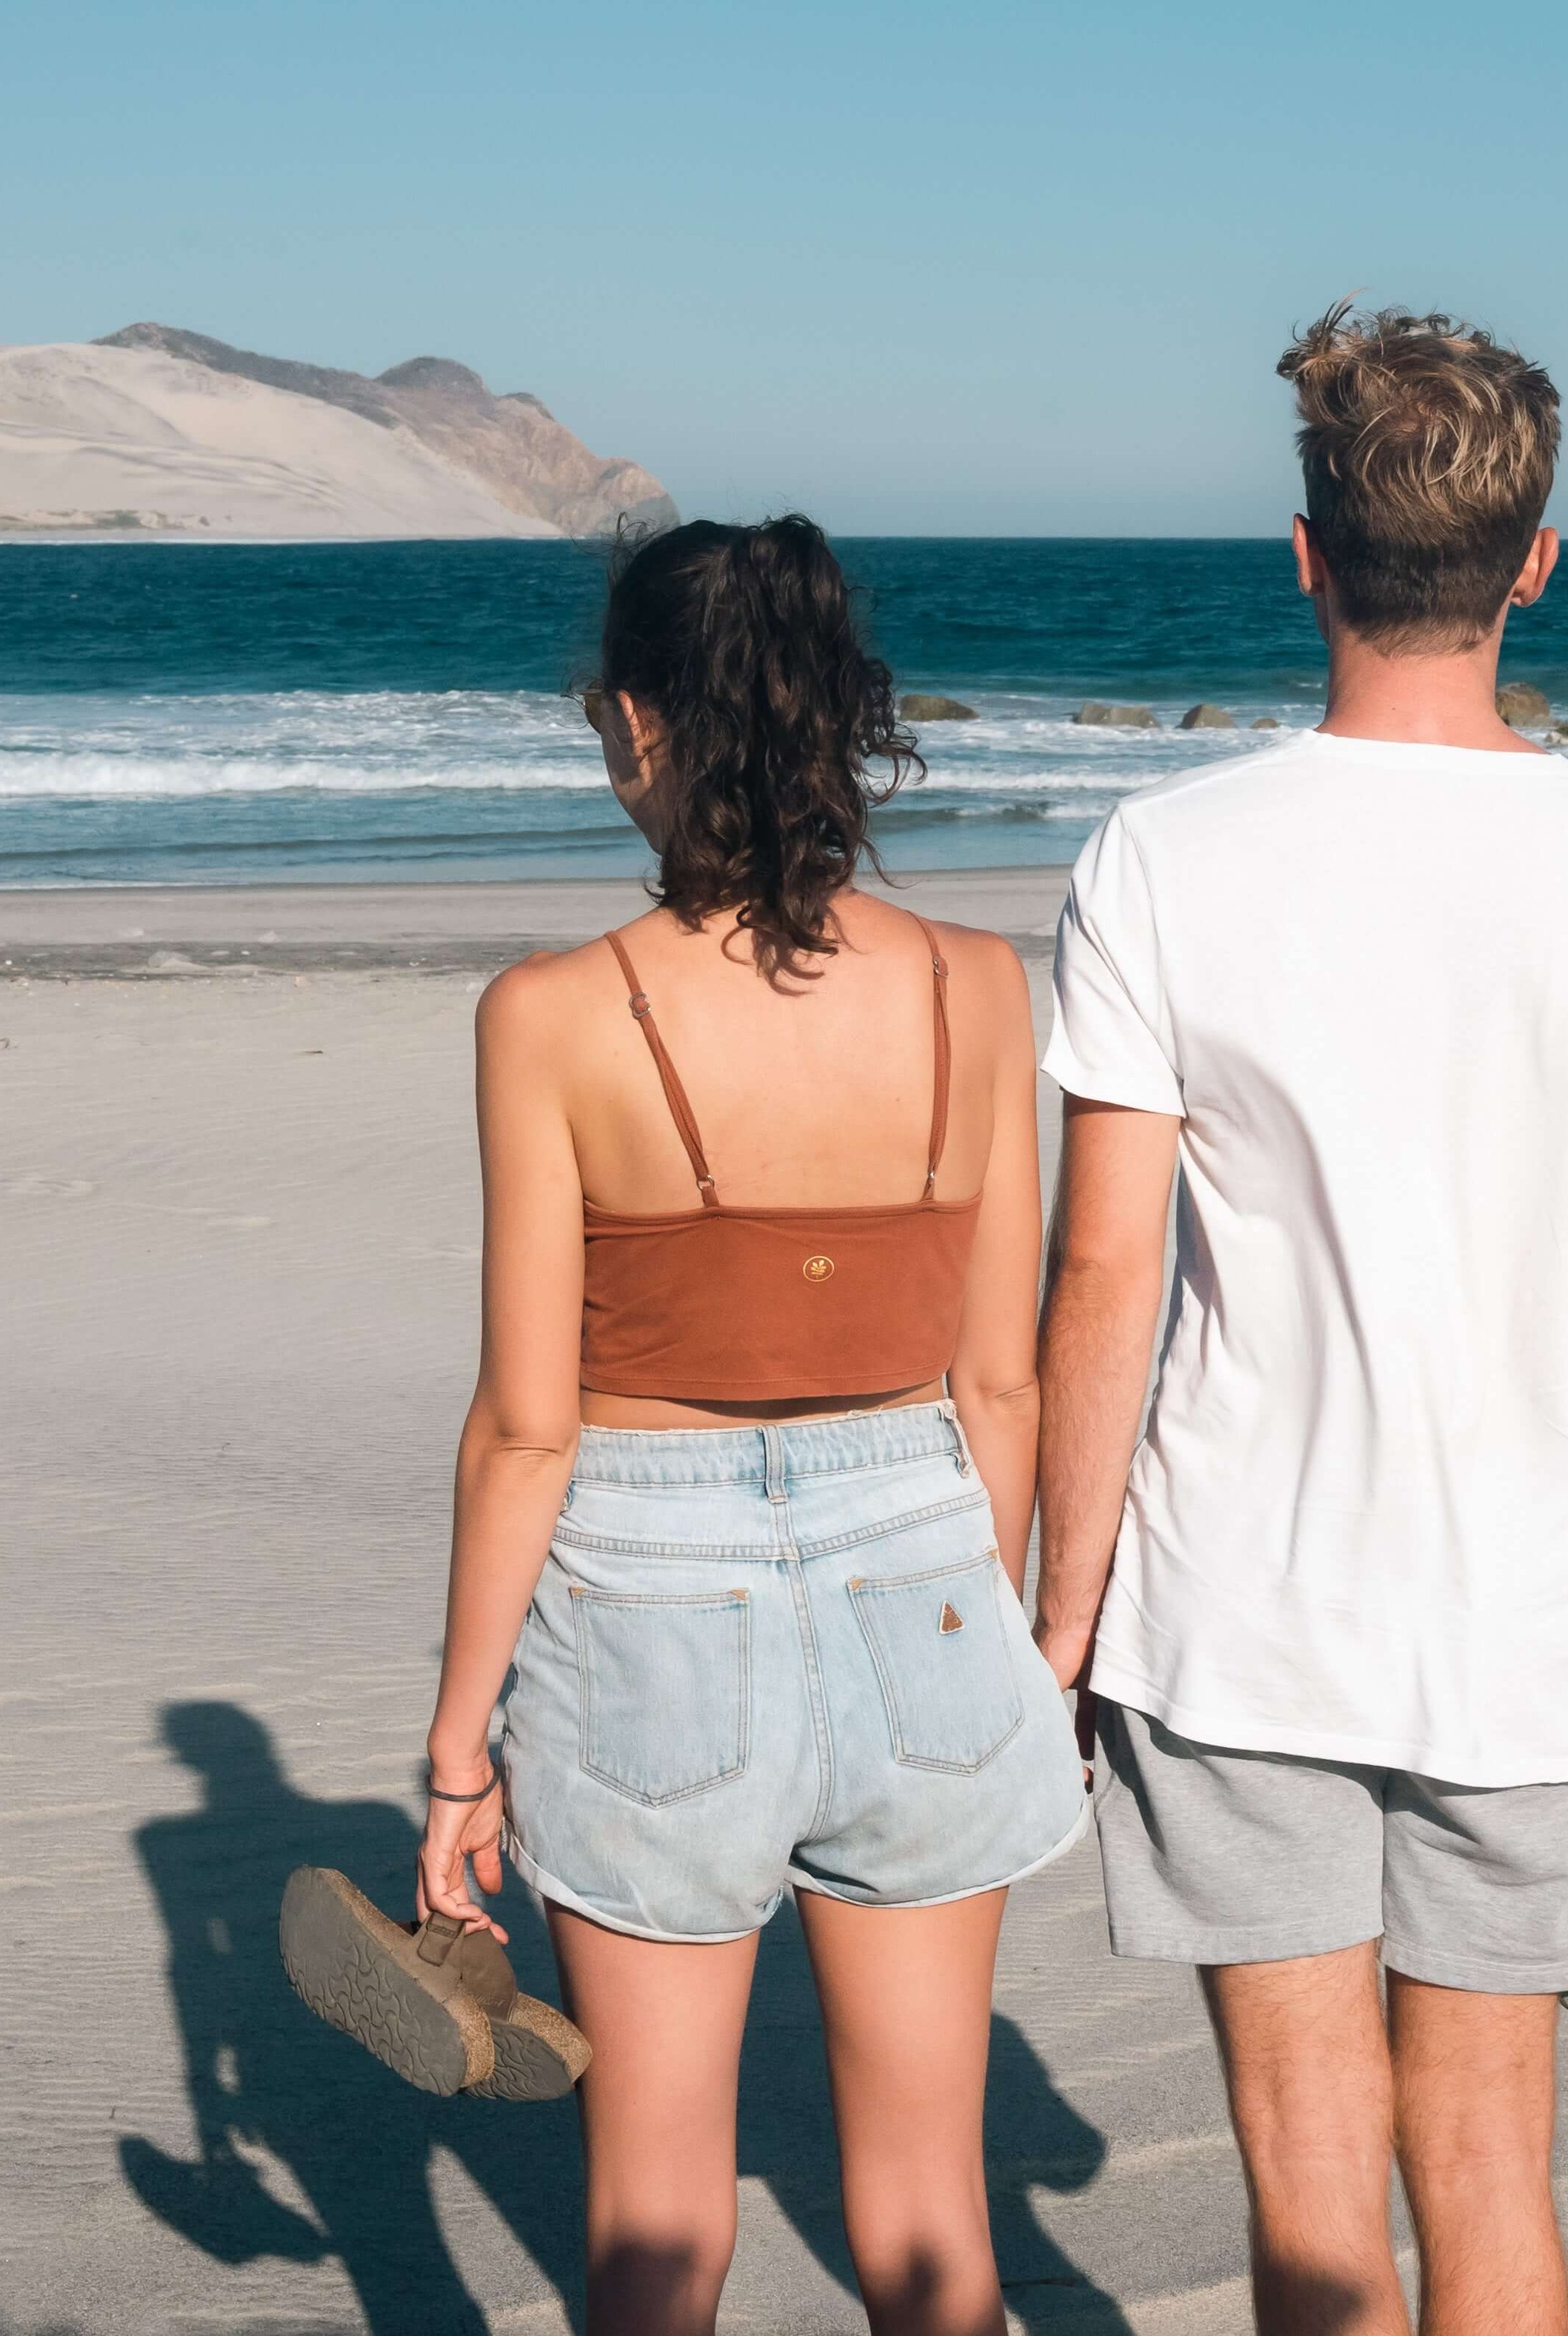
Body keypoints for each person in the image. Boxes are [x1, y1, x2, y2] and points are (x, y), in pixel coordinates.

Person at [1031, 304, 1568, 2336]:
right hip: (1534, 1619)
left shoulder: (1164, 855)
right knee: (1487, 2163)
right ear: (1535, 560)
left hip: (1239, 1609)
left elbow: (1103, 1269)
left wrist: (1062, 1602)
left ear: (1302, 551)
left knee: (1307, 2178)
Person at [413, 515, 1087, 2336]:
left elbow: (527, 1429)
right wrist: (980, 1622)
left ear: (636, 720)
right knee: (931, 2197)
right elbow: (1003, 1381)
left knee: (652, 2214)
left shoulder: (553, 1016)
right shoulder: (971, 983)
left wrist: (461, 1746)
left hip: (647, 1590)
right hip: (933, 1571)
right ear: (835, 722)